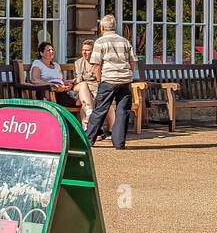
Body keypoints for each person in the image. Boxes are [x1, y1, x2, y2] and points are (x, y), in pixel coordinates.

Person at [86, 15, 137, 148]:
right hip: (125, 80)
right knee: (122, 111)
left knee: (100, 110)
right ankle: (119, 143)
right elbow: (132, 61)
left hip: (108, 79)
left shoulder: (100, 42)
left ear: (102, 27)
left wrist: (99, 80)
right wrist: (129, 75)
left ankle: (88, 140)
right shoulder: (125, 41)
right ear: (115, 27)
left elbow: (96, 64)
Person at [29, 41, 76, 106]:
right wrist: (52, 85)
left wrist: (68, 84)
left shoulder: (56, 65)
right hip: (48, 92)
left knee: (81, 94)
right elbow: (34, 80)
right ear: (41, 53)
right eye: (48, 50)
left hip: (61, 90)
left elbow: (62, 81)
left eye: (52, 50)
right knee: (77, 100)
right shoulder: (38, 63)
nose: (51, 52)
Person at [73, 38, 99, 124]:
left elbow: (99, 79)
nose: (84, 52)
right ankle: (90, 120)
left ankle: (86, 128)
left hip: (95, 88)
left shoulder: (98, 62)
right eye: (83, 50)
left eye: (87, 50)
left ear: (93, 51)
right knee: (85, 90)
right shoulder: (78, 62)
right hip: (83, 88)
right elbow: (79, 79)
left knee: (99, 99)